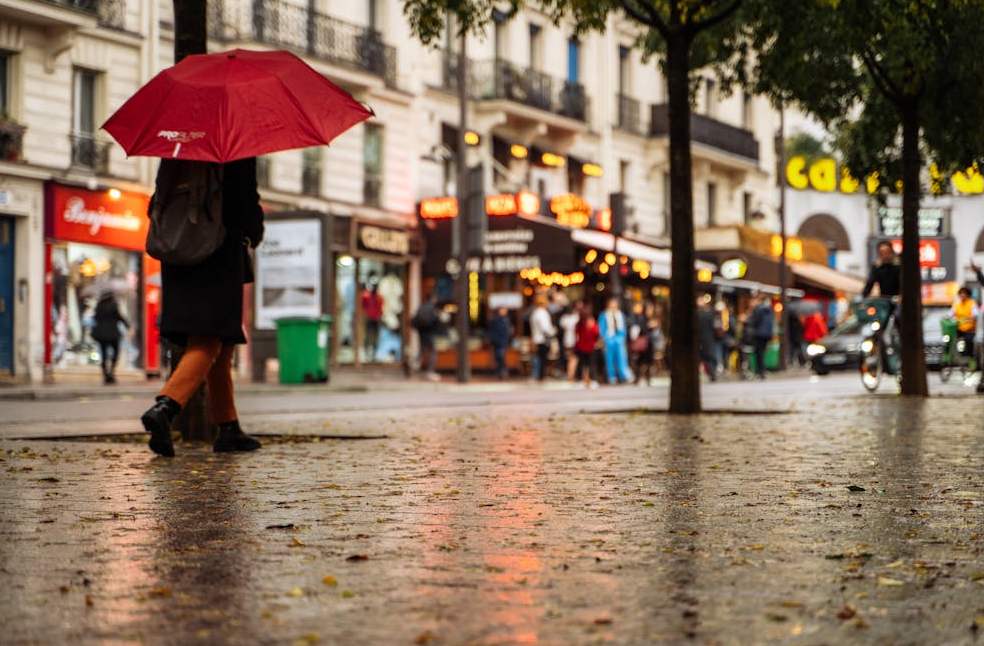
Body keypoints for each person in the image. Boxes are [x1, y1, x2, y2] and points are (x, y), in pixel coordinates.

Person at [140, 157, 264, 457]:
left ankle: (228, 427)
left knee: (219, 343)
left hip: (178, 253)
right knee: (208, 340)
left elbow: (158, 199)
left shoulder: (177, 147)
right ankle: (166, 407)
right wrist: (254, 231)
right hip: (217, 253)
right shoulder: (235, 148)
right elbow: (245, 203)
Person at [91, 290, 129, 385]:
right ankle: (111, 371)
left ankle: (105, 374)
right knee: (116, 352)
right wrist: (126, 324)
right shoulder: (114, 305)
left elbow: (95, 318)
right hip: (113, 333)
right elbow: (119, 316)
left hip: (101, 333)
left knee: (103, 353)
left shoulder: (99, 306)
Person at [599, 297, 631, 384]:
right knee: (609, 359)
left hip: (619, 338)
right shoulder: (604, 314)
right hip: (609, 338)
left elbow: (624, 328)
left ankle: (623, 376)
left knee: (622, 358)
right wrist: (604, 338)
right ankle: (611, 377)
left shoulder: (620, 314)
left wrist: (623, 337)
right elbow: (601, 328)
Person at [412, 293, 441, 382]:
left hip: (421, 333)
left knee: (422, 350)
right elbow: (435, 321)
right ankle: (430, 372)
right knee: (432, 352)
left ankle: (412, 365)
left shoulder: (421, 307)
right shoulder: (433, 308)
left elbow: (414, 320)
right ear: (432, 298)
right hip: (430, 333)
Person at [746, 294, 775, 380]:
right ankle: (762, 371)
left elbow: (755, 321)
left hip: (758, 334)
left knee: (759, 353)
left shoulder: (758, 309)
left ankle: (760, 372)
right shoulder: (769, 309)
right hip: (766, 334)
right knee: (762, 353)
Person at [530, 294, 556, 381]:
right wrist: (553, 332)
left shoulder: (535, 313)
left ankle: (537, 375)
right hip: (543, 339)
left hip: (536, 338)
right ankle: (541, 376)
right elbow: (545, 328)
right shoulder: (542, 313)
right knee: (542, 359)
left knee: (538, 358)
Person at [574, 306, 600, 388]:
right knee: (590, 364)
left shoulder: (580, 323)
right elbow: (596, 333)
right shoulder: (588, 323)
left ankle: (582, 380)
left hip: (583, 346)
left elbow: (576, 334)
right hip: (589, 346)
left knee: (583, 364)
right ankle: (592, 380)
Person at [951, 287, 978, 358]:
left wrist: (969, 318)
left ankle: (970, 358)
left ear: (967, 295)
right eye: (961, 293)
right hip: (959, 329)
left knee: (969, 342)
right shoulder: (956, 304)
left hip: (969, 329)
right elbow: (951, 314)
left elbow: (975, 314)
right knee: (951, 341)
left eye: (964, 293)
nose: (962, 295)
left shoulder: (972, 303)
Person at [697, 296, 719, 381]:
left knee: (705, 357)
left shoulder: (700, 314)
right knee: (709, 357)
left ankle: (711, 373)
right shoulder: (711, 313)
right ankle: (712, 374)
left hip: (704, 338)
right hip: (709, 338)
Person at [361, 282, 384, 362]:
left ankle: (373, 354)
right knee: (368, 336)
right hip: (370, 318)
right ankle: (368, 353)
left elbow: (381, 308)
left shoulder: (379, 297)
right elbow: (363, 306)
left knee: (374, 337)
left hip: (375, 319)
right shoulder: (367, 297)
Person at [487, 307, 512, 379]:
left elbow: (507, 332)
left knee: (501, 356)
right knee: (499, 357)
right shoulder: (495, 320)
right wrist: (493, 340)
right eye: (503, 310)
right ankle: (501, 371)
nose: (504, 311)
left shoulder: (506, 320)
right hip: (498, 342)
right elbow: (492, 331)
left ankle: (502, 371)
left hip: (503, 342)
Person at [559, 304, 580, 380]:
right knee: (574, 358)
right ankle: (571, 374)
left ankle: (570, 374)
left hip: (567, 340)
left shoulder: (564, 318)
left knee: (569, 358)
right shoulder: (576, 317)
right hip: (574, 339)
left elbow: (562, 327)